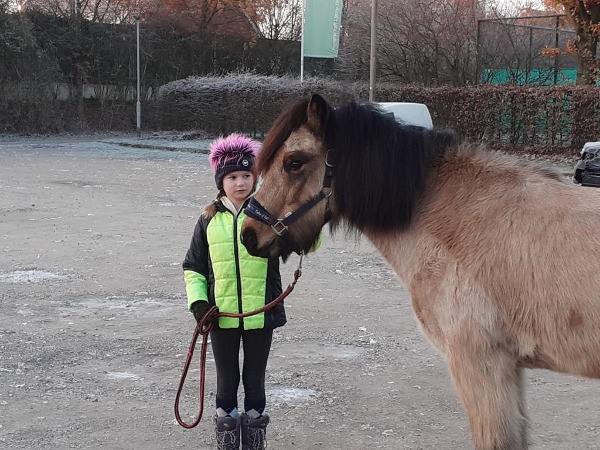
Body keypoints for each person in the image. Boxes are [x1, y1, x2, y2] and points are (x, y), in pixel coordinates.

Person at [182, 133, 284, 450]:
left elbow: (302, 239)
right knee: (227, 380)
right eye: (232, 177)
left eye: (246, 175)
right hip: (221, 317)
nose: (240, 183)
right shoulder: (207, 220)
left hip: (259, 315)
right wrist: (199, 304)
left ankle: (254, 439)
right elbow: (193, 265)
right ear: (221, 181)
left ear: (255, 178)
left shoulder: (268, 217)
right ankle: (227, 438)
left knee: (254, 378)